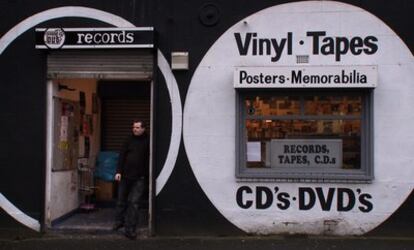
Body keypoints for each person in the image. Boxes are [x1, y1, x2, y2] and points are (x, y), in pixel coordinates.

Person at [113, 120, 149, 239]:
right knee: (121, 200)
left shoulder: (148, 141)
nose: (135, 129)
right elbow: (122, 156)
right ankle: (119, 221)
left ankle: (130, 229)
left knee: (133, 203)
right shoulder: (128, 140)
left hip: (139, 178)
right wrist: (118, 172)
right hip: (125, 176)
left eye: (138, 127)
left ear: (143, 129)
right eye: (134, 127)